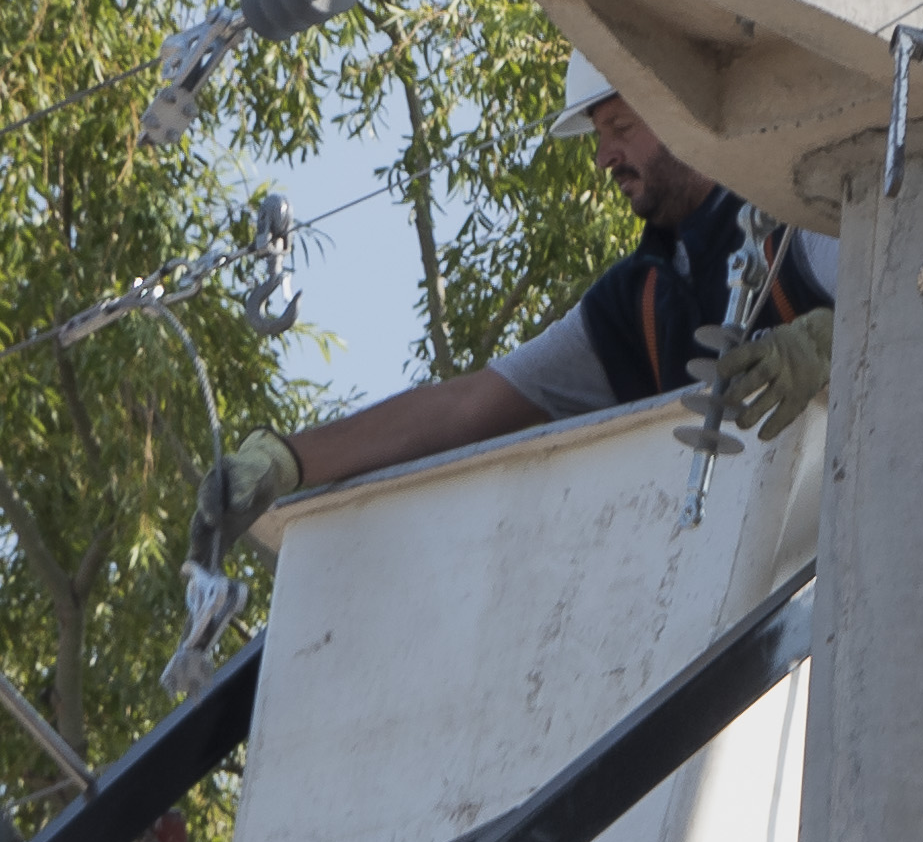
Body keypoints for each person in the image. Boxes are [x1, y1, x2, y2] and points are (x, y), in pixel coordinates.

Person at [204, 51, 836, 524]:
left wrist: (837, 334)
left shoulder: (797, 220)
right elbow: (468, 407)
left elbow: (916, 278)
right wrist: (289, 460)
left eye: (620, 127)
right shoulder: (636, 301)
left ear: (686, 114)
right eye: (598, 137)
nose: (604, 158)